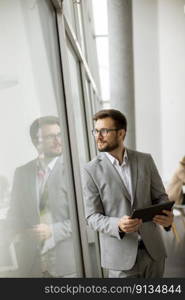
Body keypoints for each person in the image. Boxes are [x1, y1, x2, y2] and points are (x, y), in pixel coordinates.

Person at [83, 109, 173, 278]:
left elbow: (161, 196)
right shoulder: (90, 170)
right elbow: (91, 217)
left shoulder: (145, 160)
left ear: (121, 133)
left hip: (153, 252)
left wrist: (167, 217)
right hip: (120, 260)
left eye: (104, 131)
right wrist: (117, 224)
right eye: (96, 131)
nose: (98, 136)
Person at [5, 116, 76, 277]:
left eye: (60, 135)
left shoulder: (75, 170)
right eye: (51, 136)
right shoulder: (22, 173)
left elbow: (86, 219)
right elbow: (14, 214)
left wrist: (52, 231)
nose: (58, 141)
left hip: (68, 266)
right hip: (32, 264)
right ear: (36, 142)